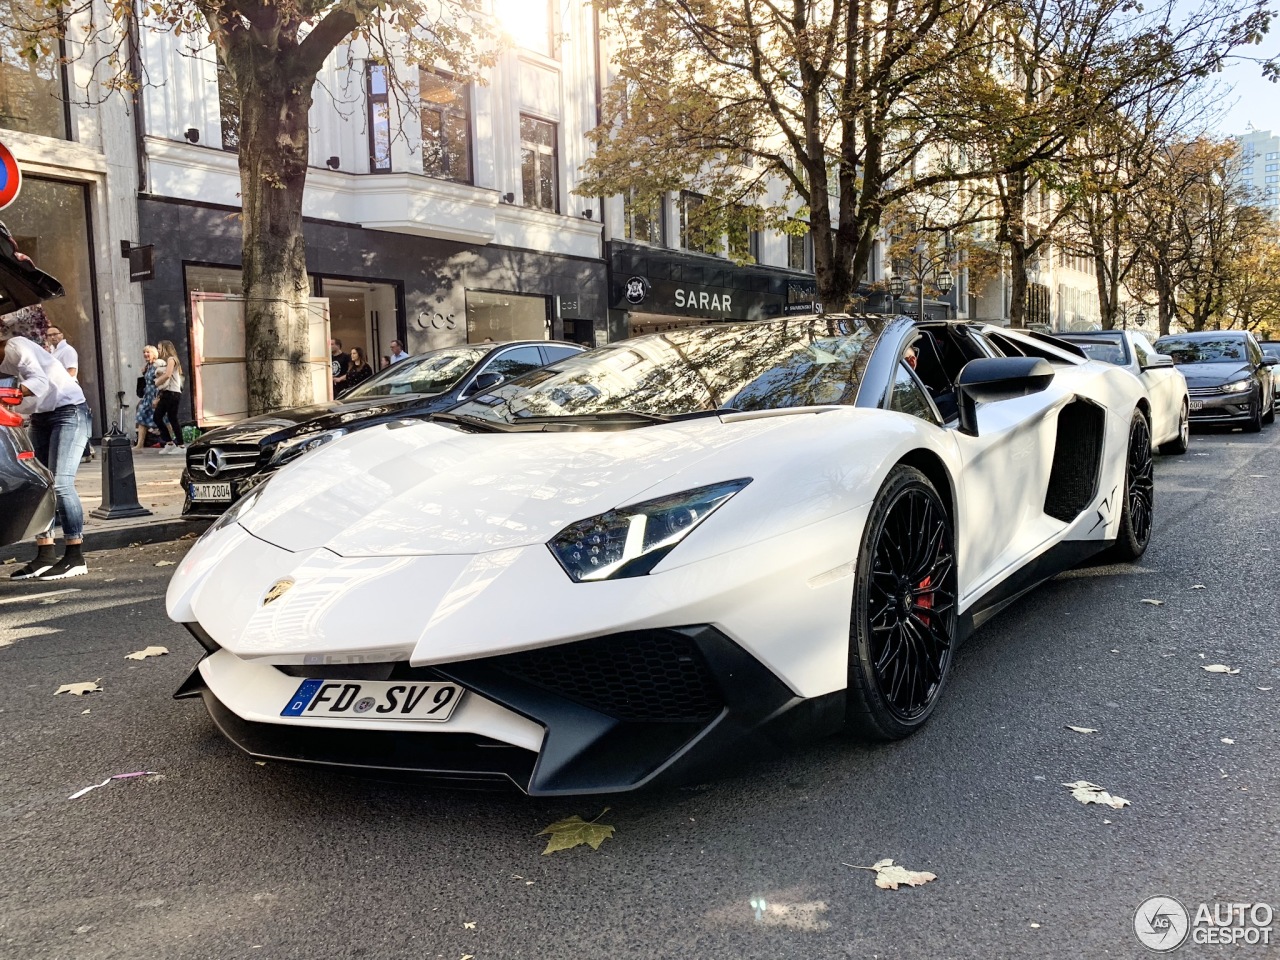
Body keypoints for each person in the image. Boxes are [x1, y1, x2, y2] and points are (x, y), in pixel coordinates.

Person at [1, 317, 92, 580]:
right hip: (40, 418)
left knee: (62, 483)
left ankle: (75, 556)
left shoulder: (18, 346)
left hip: (70, 412)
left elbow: (39, 382)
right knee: (42, 486)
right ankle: (45, 554)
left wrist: (13, 394)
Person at [47, 323, 94, 462]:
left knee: (75, 421)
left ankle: (85, 452)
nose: (53, 337)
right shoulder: (52, 352)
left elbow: (71, 370)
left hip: (67, 388)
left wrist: (58, 383)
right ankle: (85, 452)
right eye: (50, 335)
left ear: (61, 335)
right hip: (58, 390)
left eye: (55, 334)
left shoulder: (67, 350)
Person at [153, 339, 185, 455]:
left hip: (172, 393)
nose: (158, 350)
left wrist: (156, 383)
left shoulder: (171, 359)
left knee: (161, 417)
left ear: (165, 349)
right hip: (169, 393)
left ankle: (178, 444)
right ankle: (172, 443)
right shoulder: (167, 361)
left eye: (160, 348)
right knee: (168, 418)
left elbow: (167, 375)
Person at [135, 344, 163, 450]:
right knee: (141, 419)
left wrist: (159, 397)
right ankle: (139, 445)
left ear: (154, 354)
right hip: (147, 397)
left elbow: (162, 382)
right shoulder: (148, 366)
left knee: (164, 421)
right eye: (144, 352)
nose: (146, 354)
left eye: (148, 352)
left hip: (156, 396)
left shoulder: (158, 365)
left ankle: (173, 442)